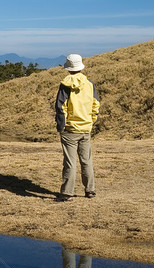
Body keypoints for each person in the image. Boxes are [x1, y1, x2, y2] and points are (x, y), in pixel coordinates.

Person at [55, 54, 100, 202]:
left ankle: (67, 192)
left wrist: (61, 126)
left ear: (68, 68)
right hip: (86, 128)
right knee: (86, 161)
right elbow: (95, 105)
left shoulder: (66, 85)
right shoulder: (89, 84)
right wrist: (91, 121)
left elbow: (61, 107)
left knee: (70, 162)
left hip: (70, 129)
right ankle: (90, 190)